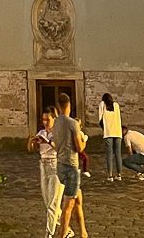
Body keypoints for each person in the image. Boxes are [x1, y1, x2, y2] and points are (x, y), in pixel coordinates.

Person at [51, 94, 87, 238]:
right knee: (68, 205)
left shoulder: (55, 123)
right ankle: (63, 234)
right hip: (71, 165)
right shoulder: (73, 123)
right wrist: (84, 141)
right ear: (69, 105)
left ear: (58, 106)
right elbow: (79, 148)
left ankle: (83, 232)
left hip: (60, 164)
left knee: (77, 199)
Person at [28, 109, 63, 238]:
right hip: (43, 165)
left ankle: (49, 233)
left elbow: (60, 148)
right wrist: (34, 142)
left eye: (48, 120)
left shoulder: (58, 133)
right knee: (47, 200)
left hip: (55, 165)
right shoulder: (42, 132)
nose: (45, 123)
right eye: (43, 120)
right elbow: (32, 149)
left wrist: (48, 142)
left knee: (53, 202)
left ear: (54, 119)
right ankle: (66, 228)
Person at [98, 93, 122, 182]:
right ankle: (119, 174)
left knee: (109, 154)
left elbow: (100, 119)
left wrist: (105, 129)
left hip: (108, 132)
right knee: (118, 154)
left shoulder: (102, 105)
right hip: (117, 132)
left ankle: (110, 175)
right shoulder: (116, 105)